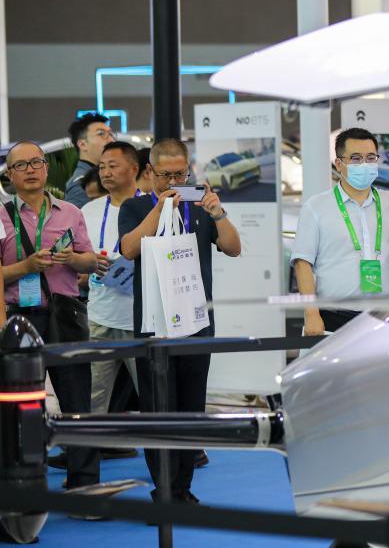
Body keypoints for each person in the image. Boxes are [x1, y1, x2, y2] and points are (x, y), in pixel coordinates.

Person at [119, 139, 242, 504]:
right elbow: (128, 248)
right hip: (154, 325)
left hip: (197, 322)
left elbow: (234, 248)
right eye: (166, 175)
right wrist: (159, 208)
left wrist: (218, 212)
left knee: (191, 409)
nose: (174, 181)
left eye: (181, 174)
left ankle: (183, 488)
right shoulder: (135, 206)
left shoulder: (199, 205)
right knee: (158, 409)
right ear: (150, 172)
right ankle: (165, 490)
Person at [0, 141, 101, 494]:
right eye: (21, 165)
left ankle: (84, 486)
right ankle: (27, 489)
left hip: (66, 313)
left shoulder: (70, 212)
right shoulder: (1, 216)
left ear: (46, 168)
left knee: (77, 401)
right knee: (23, 406)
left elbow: (91, 261)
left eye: (36, 162)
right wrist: (26, 267)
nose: (30, 169)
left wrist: (73, 259)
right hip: (18, 320)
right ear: (9, 175)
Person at [291, 128, 389, 335]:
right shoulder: (316, 206)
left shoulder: (388, 201)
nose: (364, 164)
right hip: (335, 315)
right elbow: (302, 263)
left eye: (370, 158)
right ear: (339, 164)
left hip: (382, 314)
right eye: (356, 158)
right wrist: (311, 314)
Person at [81, 142, 141, 417]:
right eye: (102, 167)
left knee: (152, 394)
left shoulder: (150, 207)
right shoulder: (88, 211)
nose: (105, 173)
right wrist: (86, 264)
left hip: (140, 321)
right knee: (93, 396)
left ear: (134, 169)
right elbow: (78, 258)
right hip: (99, 317)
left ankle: (162, 444)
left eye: (113, 166)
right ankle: (89, 444)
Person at [65, 113, 114, 208]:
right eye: (101, 134)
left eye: (111, 134)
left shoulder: (101, 176)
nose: (111, 140)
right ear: (82, 144)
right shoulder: (80, 184)